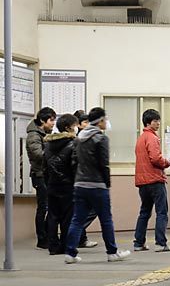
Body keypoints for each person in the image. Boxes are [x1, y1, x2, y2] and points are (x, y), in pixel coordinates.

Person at [64, 107, 130, 263]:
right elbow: (103, 164)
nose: (106, 122)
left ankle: (70, 253)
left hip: (80, 184)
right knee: (106, 219)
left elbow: (74, 161)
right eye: (105, 119)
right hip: (97, 185)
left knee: (77, 219)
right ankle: (112, 252)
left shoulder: (79, 138)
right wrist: (107, 183)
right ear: (100, 121)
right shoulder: (101, 138)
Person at [133, 109, 170, 252]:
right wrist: (167, 162)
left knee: (144, 212)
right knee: (162, 212)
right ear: (148, 122)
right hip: (155, 179)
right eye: (155, 121)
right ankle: (161, 243)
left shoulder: (140, 138)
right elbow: (155, 158)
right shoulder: (152, 137)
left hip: (142, 181)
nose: (158, 123)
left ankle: (139, 242)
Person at [43, 114, 78, 255]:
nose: (76, 128)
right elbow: (75, 166)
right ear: (68, 127)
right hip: (68, 185)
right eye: (75, 125)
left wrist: (49, 181)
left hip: (52, 184)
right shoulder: (73, 144)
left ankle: (52, 246)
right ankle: (65, 245)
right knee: (67, 217)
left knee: (52, 215)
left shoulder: (48, 144)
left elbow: (44, 167)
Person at [26, 107, 57, 249]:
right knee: (43, 207)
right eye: (51, 120)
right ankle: (42, 239)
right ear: (42, 120)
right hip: (39, 175)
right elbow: (38, 154)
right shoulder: (34, 135)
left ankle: (47, 236)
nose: (53, 123)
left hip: (45, 174)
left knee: (48, 206)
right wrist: (54, 151)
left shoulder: (44, 133)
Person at [72, 109, 98, 249]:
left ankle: (79, 238)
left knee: (82, 212)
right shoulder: (79, 140)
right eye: (85, 122)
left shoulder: (86, 138)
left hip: (83, 179)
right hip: (84, 181)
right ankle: (77, 237)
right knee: (88, 211)